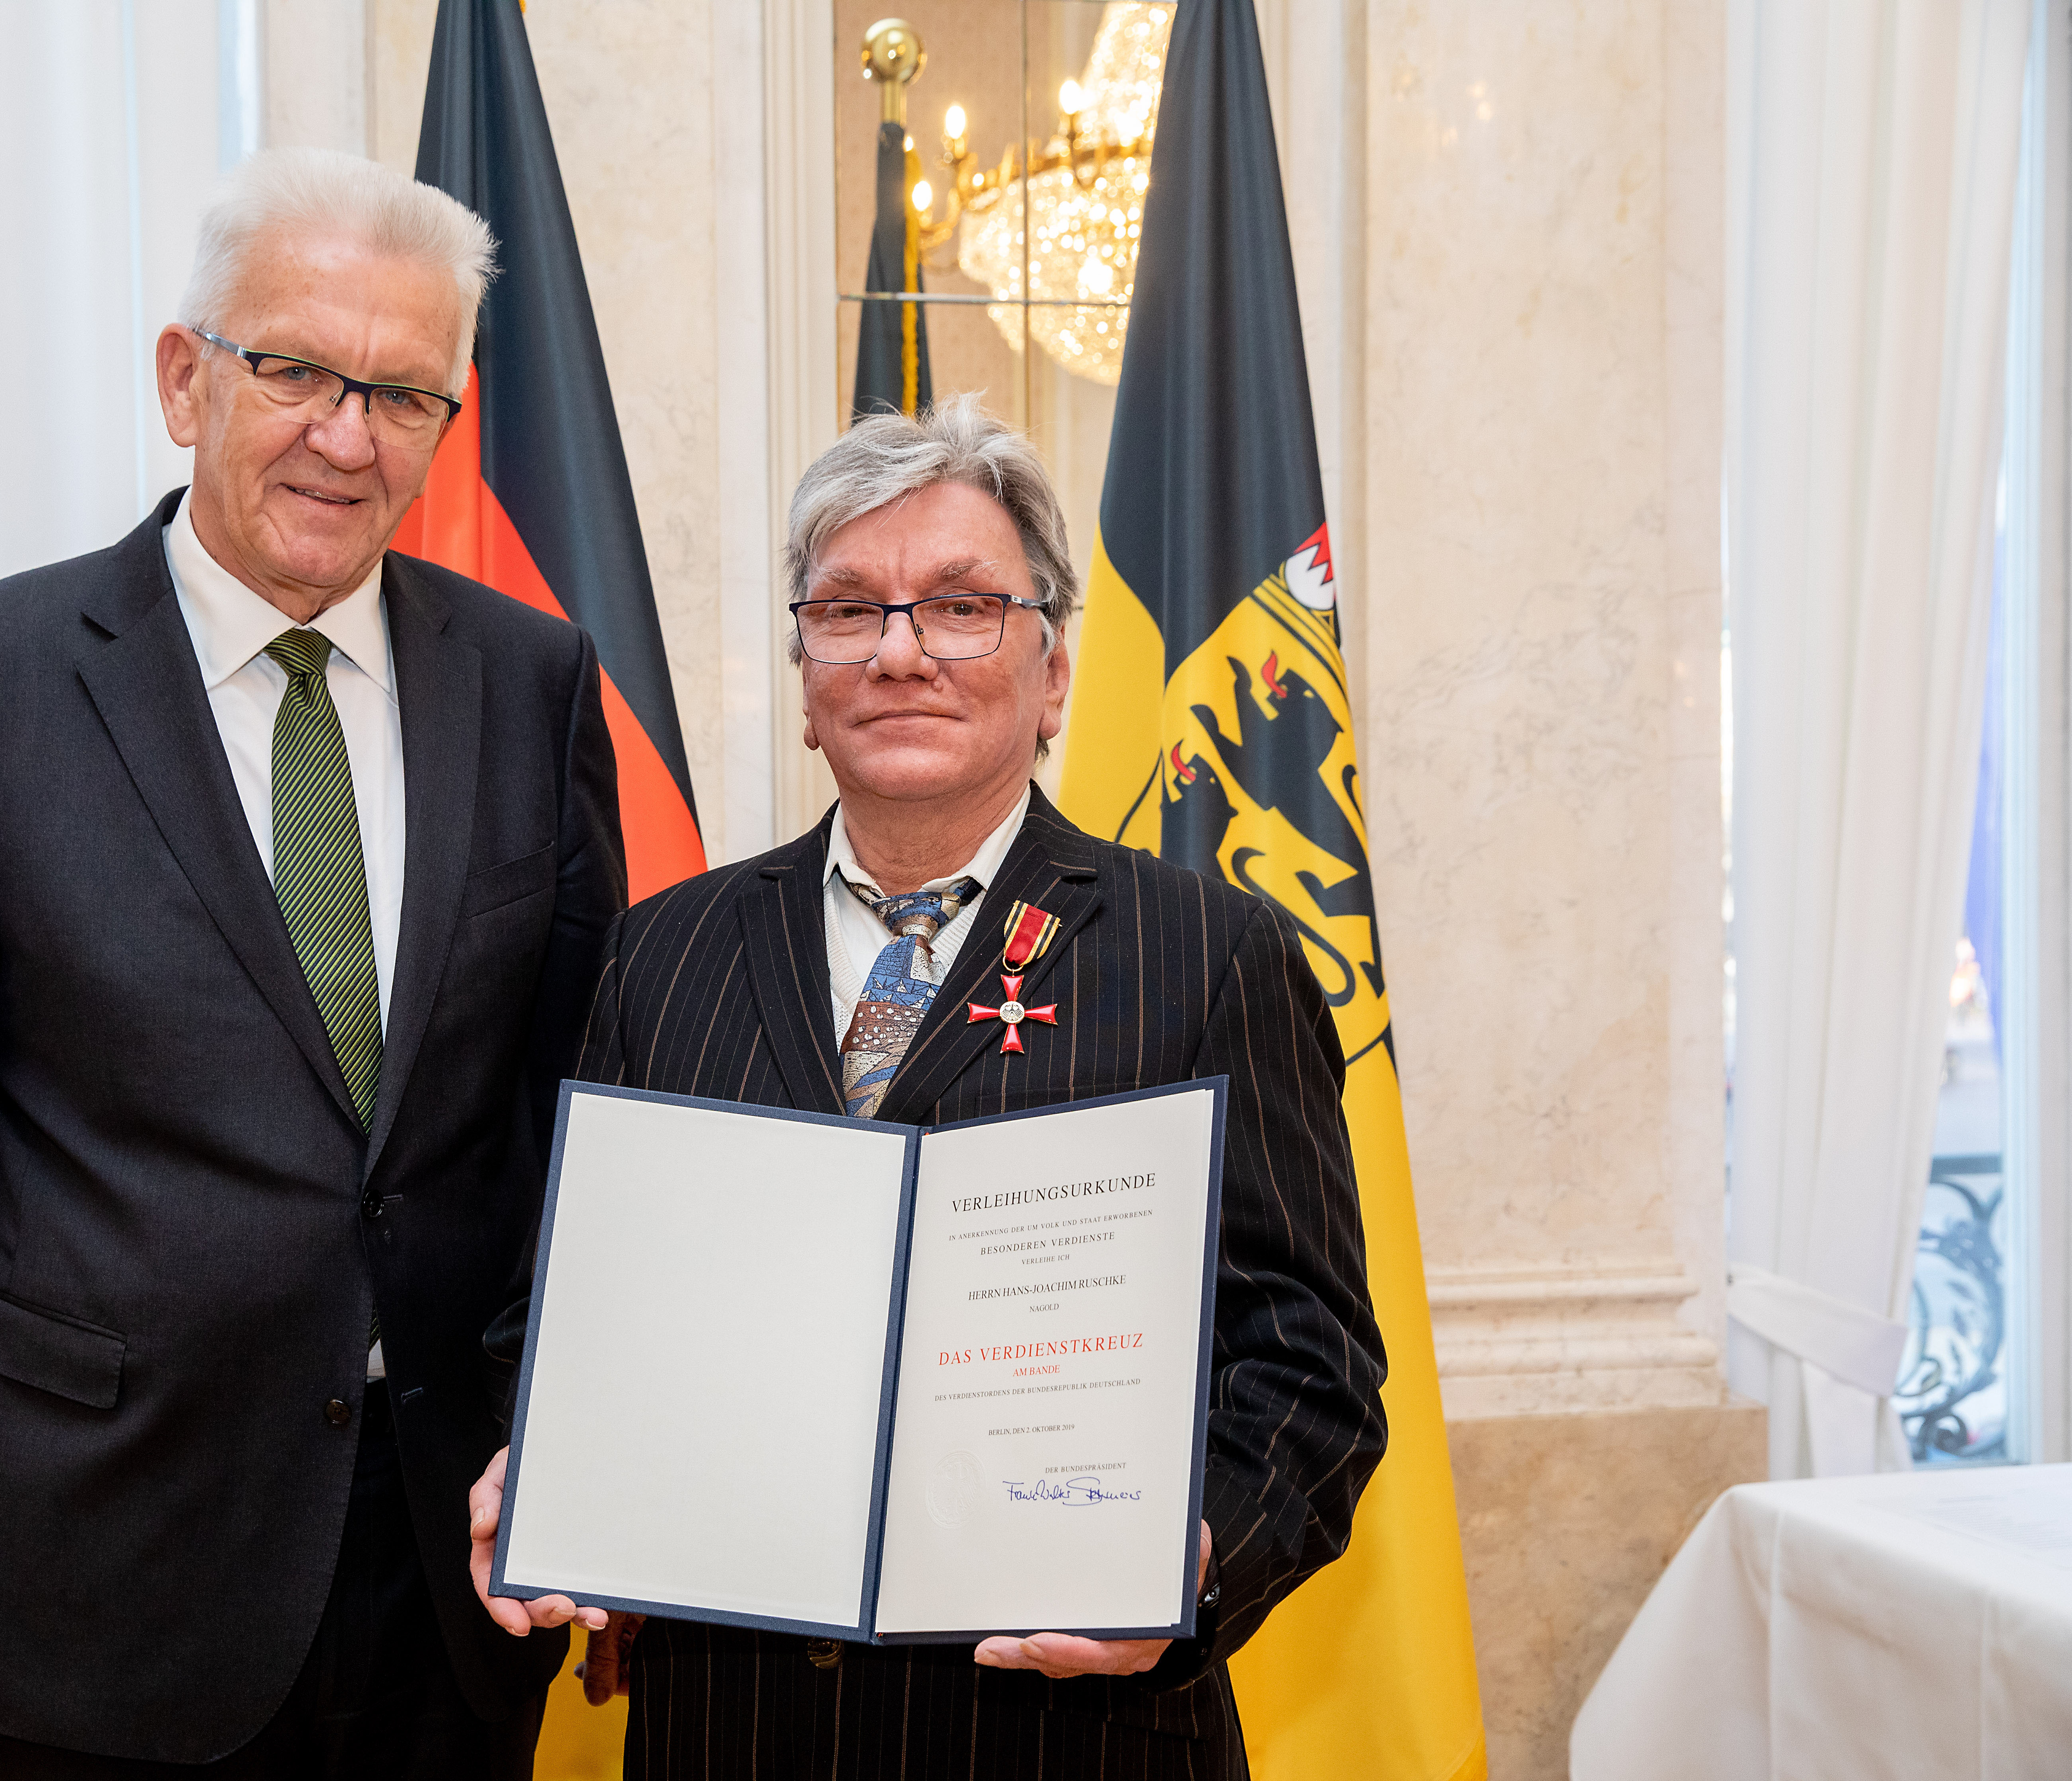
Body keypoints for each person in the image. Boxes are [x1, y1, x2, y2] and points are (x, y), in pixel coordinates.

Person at [0, 147, 623, 1781]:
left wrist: (597, 1469)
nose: (347, 435)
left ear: (447, 423)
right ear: (186, 378)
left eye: (401, 395)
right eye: (297, 371)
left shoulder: (532, 682)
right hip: (110, 1578)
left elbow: (580, 1123)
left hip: (451, 1579)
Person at [466, 397, 1386, 1780]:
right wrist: (543, 1459)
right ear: (805, 673)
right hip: (736, 1733)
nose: (901, 651)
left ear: (1053, 671)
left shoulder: (1209, 956)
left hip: (1070, 1740)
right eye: (849, 609)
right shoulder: (662, 954)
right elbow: (561, 1309)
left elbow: (1313, 1363)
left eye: (961, 606)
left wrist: (1189, 1561)